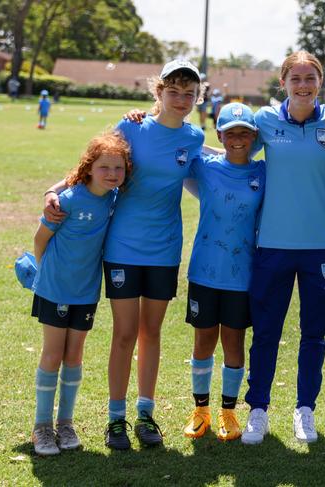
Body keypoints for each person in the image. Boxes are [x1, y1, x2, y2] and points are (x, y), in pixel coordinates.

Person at [44, 60, 204, 450]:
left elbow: (215, 155)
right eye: (174, 91)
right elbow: (95, 162)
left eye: (190, 94)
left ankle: (145, 413)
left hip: (165, 249)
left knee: (152, 333)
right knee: (125, 333)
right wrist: (54, 189)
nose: (182, 100)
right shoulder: (131, 126)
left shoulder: (195, 137)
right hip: (123, 246)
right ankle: (116, 418)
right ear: (158, 92)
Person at [241, 51, 325, 445]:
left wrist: (323, 212)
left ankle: (305, 409)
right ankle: (258, 409)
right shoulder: (265, 121)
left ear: (320, 82)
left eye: (310, 78)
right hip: (272, 245)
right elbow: (234, 151)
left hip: (320, 248)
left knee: (314, 334)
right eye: (296, 78)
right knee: (266, 331)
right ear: (283, 82)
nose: (303, 85)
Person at [31, 131, 131, 455]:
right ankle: (42, 427)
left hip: (86, 293)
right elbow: (40, 238)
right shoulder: (68, 200)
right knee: (52, 354)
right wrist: (45, 271)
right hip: (55, 288)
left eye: (119, 168)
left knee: (74, 356)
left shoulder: (114, 200)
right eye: (105, 167)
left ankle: (65, 423)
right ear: (89, 168)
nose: (113, 174)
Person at [182, 103, 265, 442]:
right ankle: (200, 409)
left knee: (234, 341)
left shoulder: (262, 173)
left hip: (242, 275)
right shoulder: (204, 167)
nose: (238, 138)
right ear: (219, 135)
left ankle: (228, 412)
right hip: (204, 270)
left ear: (254, 136)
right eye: (231, 132)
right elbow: (177, 142)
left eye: (245, 132)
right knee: (203, 341)